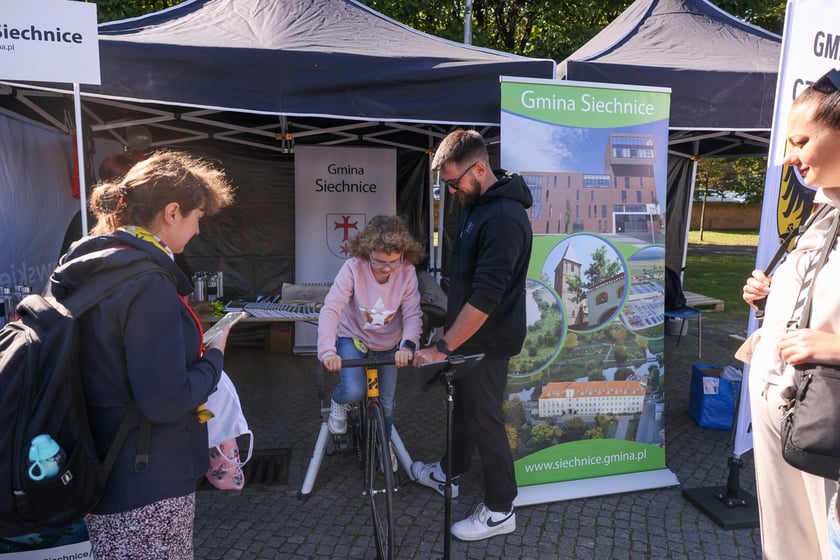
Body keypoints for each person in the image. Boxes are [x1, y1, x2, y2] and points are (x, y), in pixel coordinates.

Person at [54, 149, 235, 559]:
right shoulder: (148, 283)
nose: (198, 230)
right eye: (198, 217)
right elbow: (165, 400)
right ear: (172, 212)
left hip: (101, 468)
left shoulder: (92, 264)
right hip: (147, 480)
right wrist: (215, 358)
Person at [411, 129, 532, 542]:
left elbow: (485, 298)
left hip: (488, 340)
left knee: (484, 418)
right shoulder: (476, 203)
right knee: (463, 407)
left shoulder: (503, 219)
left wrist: (442, 346)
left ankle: (501, 508)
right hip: (468, 338)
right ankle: (449, 472)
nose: (451, 190)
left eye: (454, 182)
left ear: (479, 168)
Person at [742, 68, 840, 560]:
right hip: (783, 405)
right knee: (787, 545)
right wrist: (771, 295)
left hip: (828, 421)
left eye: (801, 141)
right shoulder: (822, 209)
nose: (789, 158)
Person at [317, 215, 424, 440]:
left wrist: (407, 346)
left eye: (394, 261)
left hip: (389, 343)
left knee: (386, 403)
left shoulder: (406, 272)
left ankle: (383, 446)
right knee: (354, 391)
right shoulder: (353, 268)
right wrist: (328, 351)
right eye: (379, 262)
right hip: (354, 338)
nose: (387, 269)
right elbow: (331, 309)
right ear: (367, 253)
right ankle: (338, 401)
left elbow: (412, 315)